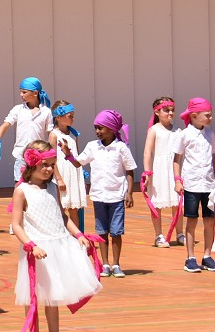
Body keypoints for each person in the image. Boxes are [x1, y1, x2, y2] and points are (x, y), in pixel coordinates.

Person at [10, 141, 102, 332]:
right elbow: (16, 225)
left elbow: (62, 216)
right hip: (37, 250)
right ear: (32, 164)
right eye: (45, 164)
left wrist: (79, 234)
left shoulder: (51, 188)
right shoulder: (21, 191)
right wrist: (31, 246)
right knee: (34, 297)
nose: (49, 169)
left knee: (53, 297)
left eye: (52, 164)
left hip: (57, 246)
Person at [74, 110, 136, 278]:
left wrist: (129, 193)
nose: (97, 131)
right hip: (99, 196)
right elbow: (78, 163)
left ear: (111, 128)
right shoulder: (92, 146)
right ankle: (105, 264)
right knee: (102, 231)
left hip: (116, 196)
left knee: (116, 232)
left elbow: (129, 171)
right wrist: (67, 153)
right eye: (96, 128)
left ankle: (116, 264)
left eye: (101, 128)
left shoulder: (121, 148)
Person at [0, 78, 53, 189]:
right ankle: (18, 205)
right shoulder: (18, 109)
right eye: (20, 91)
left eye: (24, 92)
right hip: (20, 154)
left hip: (39, 155)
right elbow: (5, 125)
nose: (21, 94)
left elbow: (50, 133)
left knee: (37, 184)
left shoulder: (46, 112)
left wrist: (52, 151)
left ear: (35, 93)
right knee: (19, 184)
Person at [174, 98, 215, 272]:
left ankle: (207, 256)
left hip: (209, 183)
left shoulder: (210, 133)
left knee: (210, 221)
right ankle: (190, 257)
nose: (210, 118)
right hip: (191, 183)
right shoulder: (184, 134)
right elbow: (177, 158)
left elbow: (213, 157)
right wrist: (177, 179)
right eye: (207, 115)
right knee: (191, 219)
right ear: (194, 115)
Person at [142, 97, 182, 247]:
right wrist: (147, 173)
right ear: (157, 112)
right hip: (158, 170)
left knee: (178, 203)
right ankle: (158, 235)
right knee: (156, 204)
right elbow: (147, 153)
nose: (170, 113)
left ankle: (180, 233)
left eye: (172, 110)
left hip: (174, 170)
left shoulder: (178, 130)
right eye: (166, 110)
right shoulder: (154, 130)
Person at [49, 101, 85, 229]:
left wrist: (82, 171)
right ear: (58, 117)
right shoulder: (54, 135)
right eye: (70, 116)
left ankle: (76, 237)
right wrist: (59, 179)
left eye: (73, 115)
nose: (73, 118)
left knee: (73, 208)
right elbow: (52, 159)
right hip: (62, 173)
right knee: (62, 206)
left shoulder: (73, 134)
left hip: (73, 173)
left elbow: (77, 154)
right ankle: (62, 236)